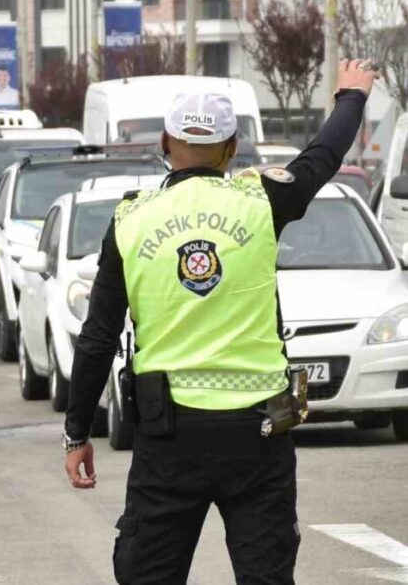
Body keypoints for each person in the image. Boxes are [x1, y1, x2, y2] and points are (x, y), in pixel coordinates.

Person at [61, 59, 378, 585]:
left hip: (169, 437)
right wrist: (351, 96)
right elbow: (322, 157)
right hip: (258, 434)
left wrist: (77, 434)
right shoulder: (262, 199)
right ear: (232, 150)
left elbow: (98, 337)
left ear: (166, 143)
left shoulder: (131, 220)